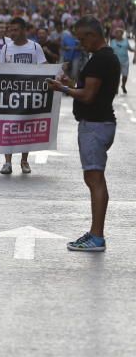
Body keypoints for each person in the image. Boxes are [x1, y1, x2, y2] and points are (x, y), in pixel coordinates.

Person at [47, 17, 120, 252]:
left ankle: (97, 236)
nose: (80, 43)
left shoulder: (100, 60)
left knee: (95, 179)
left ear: (93, 35)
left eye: (82, 38)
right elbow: (91, 90)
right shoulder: (104, 58)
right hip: (98, 123)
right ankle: (94, 232)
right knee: (93, 178)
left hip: (95, 125)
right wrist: (71, 84)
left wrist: (63, 88)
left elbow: (88, 96)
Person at [0, 16, 46, 175]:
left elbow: (44, 68)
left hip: (29, 94)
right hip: (10, 95)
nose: (12, 33)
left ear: (24, 30)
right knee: (8, 128)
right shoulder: (6, 48)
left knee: (26, 129)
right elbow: (0, 70)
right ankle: (7, 162)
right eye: (10, 30)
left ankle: (24, 161)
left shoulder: (34, 47)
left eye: (16, 30)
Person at [108, 27, 131, 94]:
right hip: (115, 62)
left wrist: (134, 52)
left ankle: (123, 85)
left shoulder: (126, 41)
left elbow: (129, 48)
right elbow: (110, 51)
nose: (118, 34)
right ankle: (116, 88)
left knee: (125, 75)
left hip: (125, 61)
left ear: (122, 34)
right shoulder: (112, 42)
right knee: (117, 76)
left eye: (119, 33)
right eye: (116, 33)